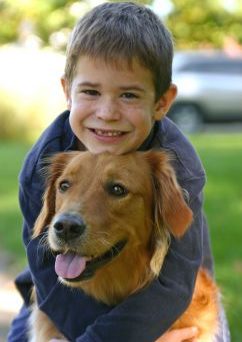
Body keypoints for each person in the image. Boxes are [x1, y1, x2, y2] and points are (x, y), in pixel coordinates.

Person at [8, 2, 230, 341]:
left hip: (169, 291)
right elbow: (45, 270)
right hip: (56, 291)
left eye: (128, 95)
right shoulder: (42, 162)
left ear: (161, 103)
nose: (107, 112)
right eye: (91, 92)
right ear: (68, 91)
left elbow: (176, 281)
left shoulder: (180, 168)